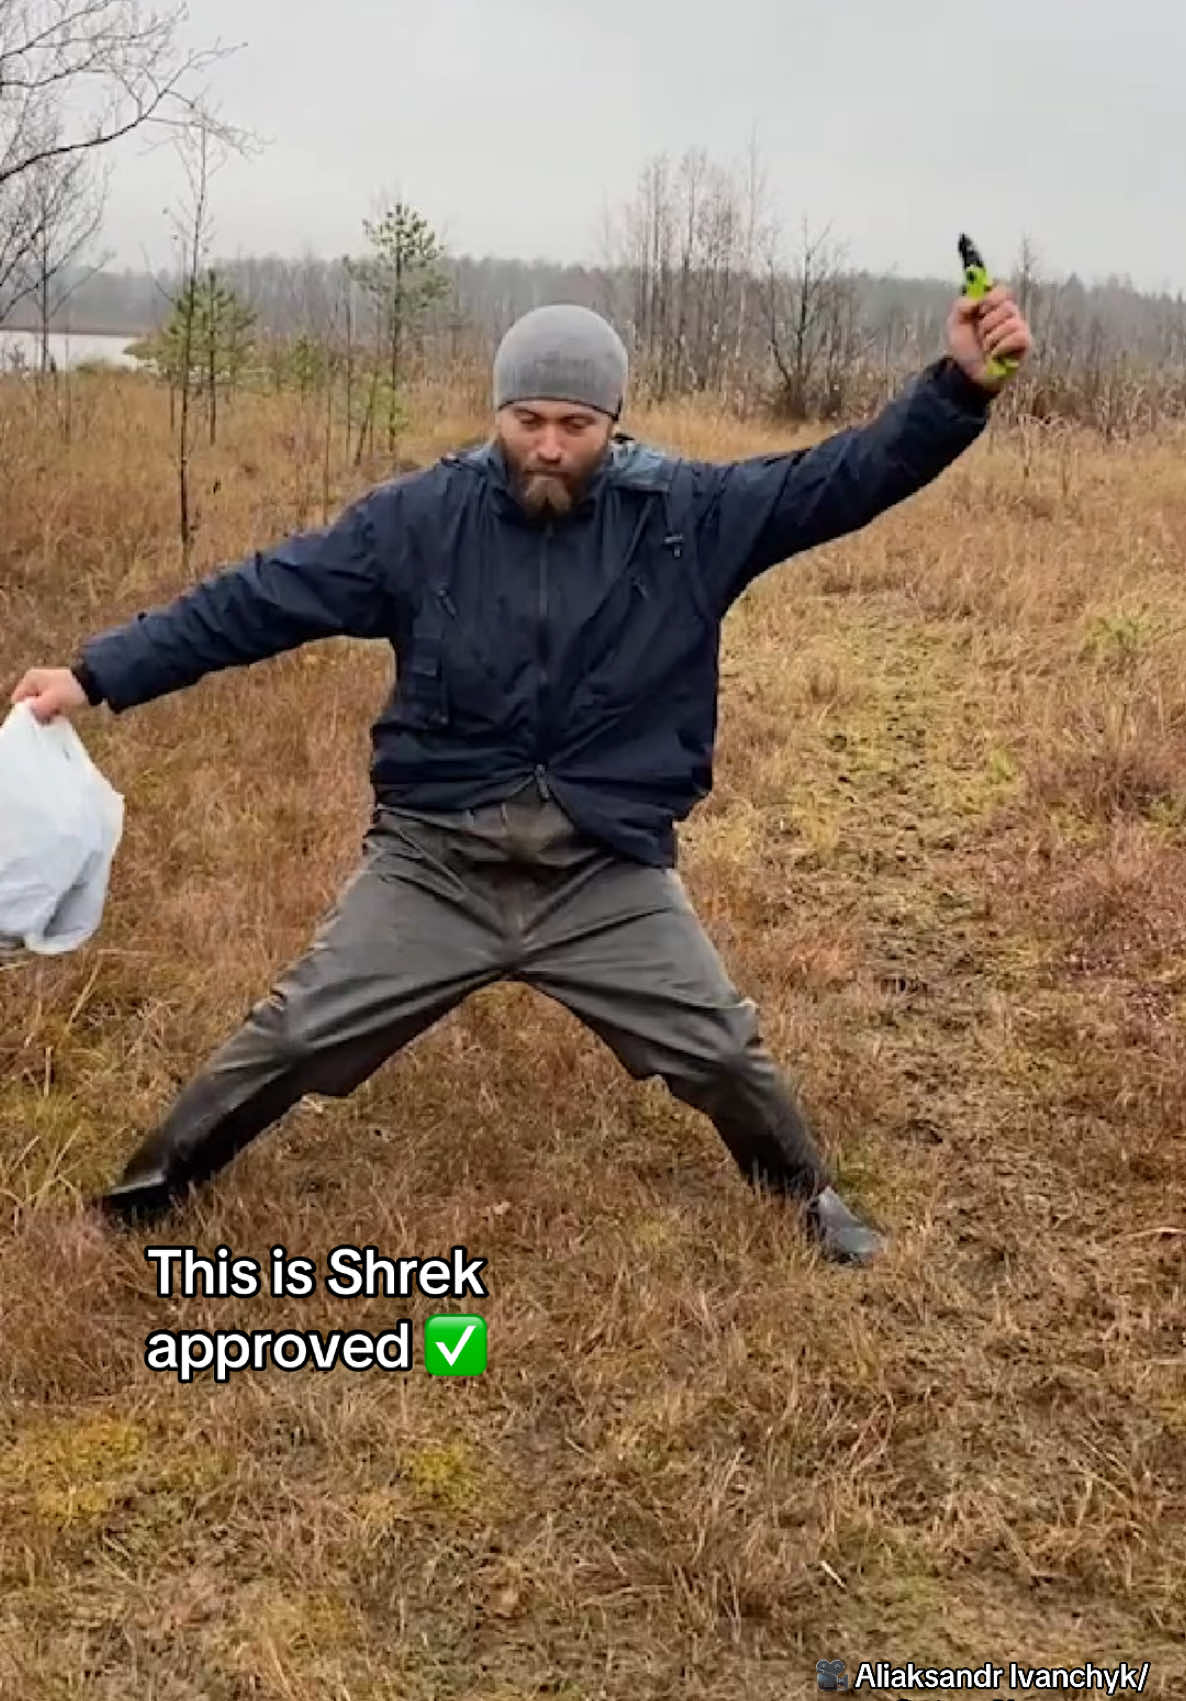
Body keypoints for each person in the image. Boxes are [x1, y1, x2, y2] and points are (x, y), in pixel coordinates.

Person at [9, 284, 1032, 1263]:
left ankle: (804, 1194)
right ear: (499, 412)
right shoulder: (418, 521)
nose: (548, 444)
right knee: (292, 1033)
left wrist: (957, 389)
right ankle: (146, 1194)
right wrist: (98, 675)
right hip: (438, 858)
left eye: (574, 424)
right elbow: (258, 600)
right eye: (528, 418)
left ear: (613, 421)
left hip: (602, 869)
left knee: (723, 1052)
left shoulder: (688, 516)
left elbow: (844, 477)